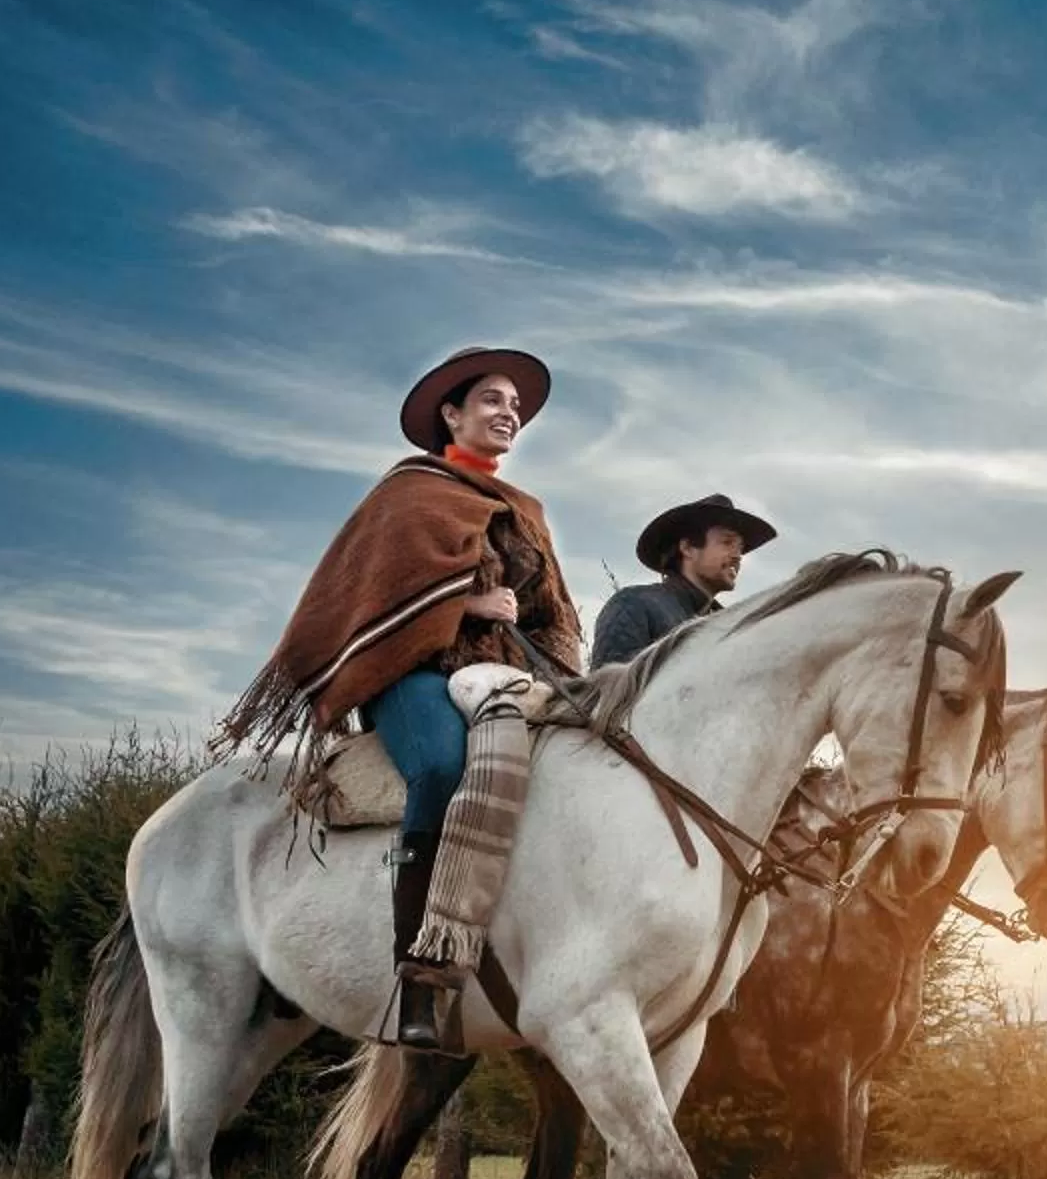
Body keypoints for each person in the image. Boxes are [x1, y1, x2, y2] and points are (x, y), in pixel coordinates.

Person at [215, 347, 583, 1047]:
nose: (508, 413)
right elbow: (373, 602)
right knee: (442, 766)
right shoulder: (407, 493)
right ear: (453, 413)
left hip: (504, 677)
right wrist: (470, 607)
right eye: (492, 401)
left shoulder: (526, 510)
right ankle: (419, 971)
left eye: (515, 406)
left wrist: (566, 681)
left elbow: (552, 615)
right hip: (412, 672)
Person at [589, 492, 778, 667]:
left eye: (740, 547)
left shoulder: (731, 626)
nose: (738, 556)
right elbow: (608, 695)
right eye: (727, 542)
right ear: (688, 548)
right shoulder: (634, 605)